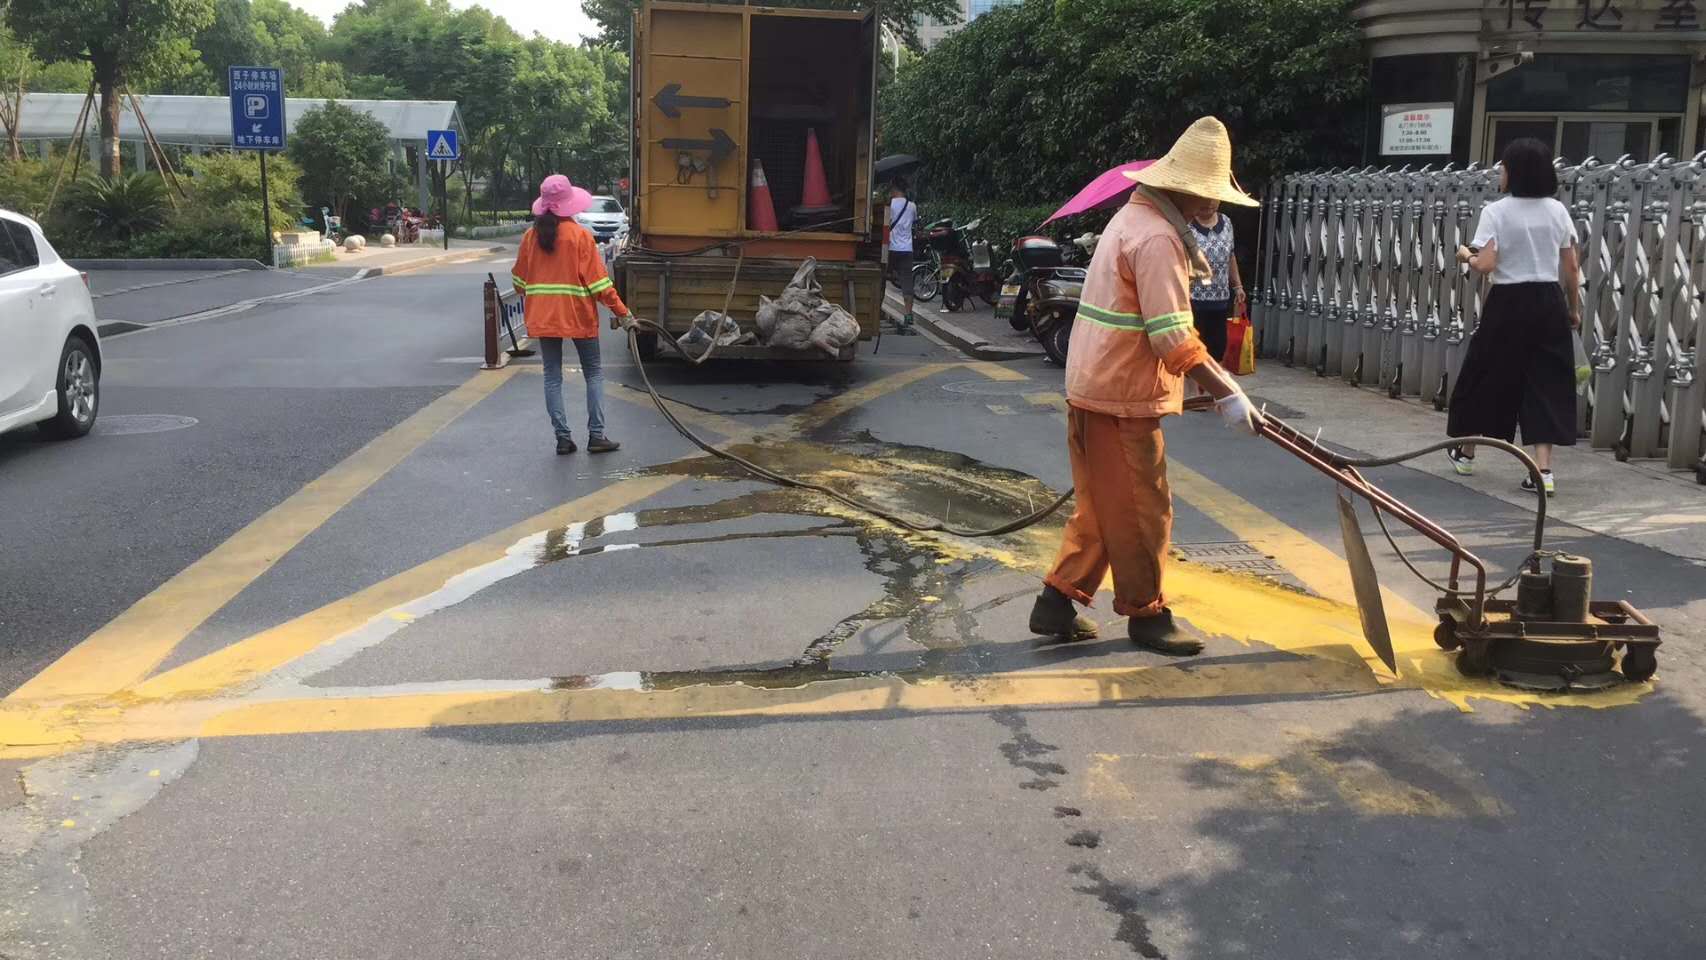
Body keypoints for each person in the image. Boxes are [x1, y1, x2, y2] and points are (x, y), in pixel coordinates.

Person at [1028, 117, 1263, 656]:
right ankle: (1147, 614)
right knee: (1141, 509)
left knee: (1104, 507)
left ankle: (1057, 599)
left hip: (1095, 384)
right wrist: (1227, 390)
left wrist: (1220, 388)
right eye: (1206, 194)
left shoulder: (1131, 219)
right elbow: (1173, 337)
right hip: (1120, 395)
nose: (1211, 206)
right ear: (1181, 187)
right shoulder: (1158, 238)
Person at [1448, 138, 1581, 497]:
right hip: (1548, 298)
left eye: (1503, 167)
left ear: (1515, 173)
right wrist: (1573, 307)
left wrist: (1466, 256)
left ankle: (1467, 452)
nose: (1500, 173)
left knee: (1487, 373)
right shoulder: (1556, 211)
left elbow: (1486, 263)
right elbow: (1571, 266)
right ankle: (1543, 472)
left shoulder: (1497, 212)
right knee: (1546, 381)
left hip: (1509, 300)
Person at [511, 174, 633, 455]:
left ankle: (563, 439)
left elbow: (519, 281)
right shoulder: (580, 236)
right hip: (579, 317)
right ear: (568, 203)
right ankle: (596, 436)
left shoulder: (530, 237)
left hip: (544, 319)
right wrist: (624, 315)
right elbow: (600, 285)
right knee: (593, 374)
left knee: (552, 377)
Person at [1186, 199, 1244, 380]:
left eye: (1213, 200)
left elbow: (1230, 255)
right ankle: (1195, 391)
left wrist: (1238, 285)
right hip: (1192, 296)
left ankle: (1211, 390)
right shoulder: (1186, 224)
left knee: (1218, 345)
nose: (1208, 204)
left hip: (1220, 296)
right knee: (1194, 346)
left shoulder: (1226, 222)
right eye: (1203, 200)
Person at [886, 178, 918, 332]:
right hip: (907, 249)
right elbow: (913, 223)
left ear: (895, 189)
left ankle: (877, 307)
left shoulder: (890, 206)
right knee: (907, 283)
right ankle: (908, 315)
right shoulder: (912, 206)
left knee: (881, 279)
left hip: (891, 249)